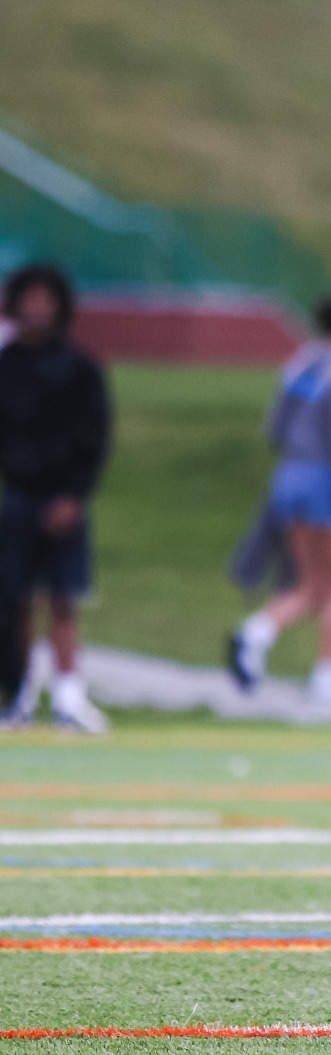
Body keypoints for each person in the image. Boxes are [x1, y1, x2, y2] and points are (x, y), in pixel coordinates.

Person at [226, 297, 331, 709]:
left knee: (311, 584)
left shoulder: (303, 364)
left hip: (291, 475)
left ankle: (256, 633)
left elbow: (276, 426)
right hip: (328, 481)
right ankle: (329, 673)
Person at [0, 264, 113, 733]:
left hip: (62, 495)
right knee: (14, 599)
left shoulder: (79, 365)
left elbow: (95, 436)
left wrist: (75, 494)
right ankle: (18, 691)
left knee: (63, 597)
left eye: (45, 300)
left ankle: (68, 695)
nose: (36, 309)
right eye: (29, 299)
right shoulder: (6, 364)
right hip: (16, 495)